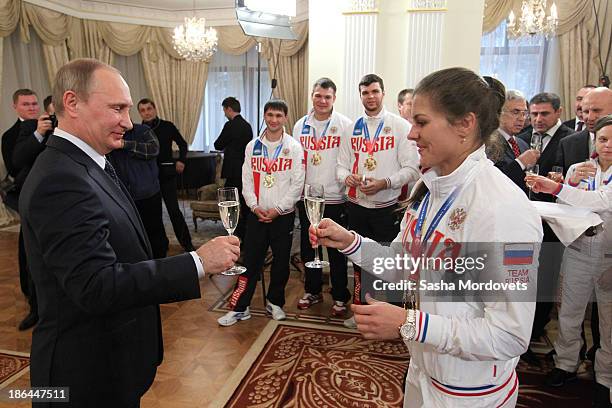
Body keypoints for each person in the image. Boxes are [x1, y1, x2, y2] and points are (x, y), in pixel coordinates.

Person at [311, 67, 543, 407]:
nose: (411, 134)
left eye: (421, 122)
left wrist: (410, 324)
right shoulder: (430, 190)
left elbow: (509, 334)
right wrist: (349, 241)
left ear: (464, 124)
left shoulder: (503, 208)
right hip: (423, 370)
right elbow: (404, 267)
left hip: (469, 392)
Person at [19, 58, 240, 407]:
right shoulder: (60, 179)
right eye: (117, 108)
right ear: (72, 103)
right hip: (83, 377)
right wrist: (197, 261)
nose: (127, 121)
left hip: (111, 364)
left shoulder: (90, 162)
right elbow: (96, 285)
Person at [526, 114, 612, 407]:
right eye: (603, 139)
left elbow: (600, 200)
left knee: (608, 321)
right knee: (568, 313)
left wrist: (560, 188)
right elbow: (564, 209)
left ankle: (605, 378)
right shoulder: (579, 169)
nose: (608, 145)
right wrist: (569, 185)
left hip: (609, 257)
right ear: (595, 141)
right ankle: (565, 364)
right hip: (577, 250)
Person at [337, 73, 420, 328]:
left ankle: (392, 316)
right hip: (358, 206)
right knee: (361, 263)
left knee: (390, 263)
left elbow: (413, 170)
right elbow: (339, 168)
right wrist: (347, 178)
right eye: (365, 93)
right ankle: (361, 312)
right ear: (360, 95)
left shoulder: (400, 127)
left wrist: (385, 183)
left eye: (374, 92)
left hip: (388, 209)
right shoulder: (352, 128)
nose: (370, 97)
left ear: (383, 93)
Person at [218, 99, 304, 327]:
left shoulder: (294, 147)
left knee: (281, 263)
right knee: (250, 262)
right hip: (256, 215)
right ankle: (240, 307)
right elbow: (246, 180)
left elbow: (297, 185)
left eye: (278, 116)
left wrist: (277, 210)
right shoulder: (252, 146)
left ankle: (275, 302)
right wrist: (254, 207)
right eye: (270, 115)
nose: (274, 120)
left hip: (282, 216)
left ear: (285, 118)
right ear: (264, 116)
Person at [517, 93, 574, 353]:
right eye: (534, 113)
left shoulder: (570, 138)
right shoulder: (523, 135)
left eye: (544, 114)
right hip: (522, 215)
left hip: (552, 220)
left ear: (558, 112)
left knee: (546, 276)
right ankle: (521, 325)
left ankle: (537, 328)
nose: (538, 119)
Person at [293, 77, 353, 316]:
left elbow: (347, 161)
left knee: (336, 250)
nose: (322, 100)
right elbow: (296, 162)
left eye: (327, 97)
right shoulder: (300, 126)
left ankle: (340, 295)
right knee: (310, 247)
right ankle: (313, 290)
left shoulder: (345, 125)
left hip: (336, 198)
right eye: (318, 95)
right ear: (312, 96)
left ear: (334, 99)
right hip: (308, 199)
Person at [1, 89, 42, 331]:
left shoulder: (51, 126)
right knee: (28, 253)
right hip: (28, 200)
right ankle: (34, 305)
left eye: (34, 103)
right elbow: (16, 165)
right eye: (26, 104)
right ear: (15, 106)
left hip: (52, 198)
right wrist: (37, 135)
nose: (31, 107)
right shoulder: (9, 136)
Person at [137, 98, 194, 252]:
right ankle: (160, 245)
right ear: (139, 113)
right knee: (154, 215)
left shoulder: (167, 126)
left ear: (154, 109)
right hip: (148, 179)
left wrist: (181, 160)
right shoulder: (138, 131)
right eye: (142, 110)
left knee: (174, 211)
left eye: (149, 109)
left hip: (166, 175)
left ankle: (187, 245)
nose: (146, 113)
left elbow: (182, 144)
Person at [108, 123, 169, 258]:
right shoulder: (110, 135)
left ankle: (161, 262)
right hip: (126, 195)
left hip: (149, 193)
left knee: (155, 230)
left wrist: (125, 144)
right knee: (133, 233)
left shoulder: (143, 130)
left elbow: (154, 149)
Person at [214, 96, 253, 241]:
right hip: (245, 169)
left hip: (232, 170)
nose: (224, 113)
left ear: (229, 109)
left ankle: (237, 235)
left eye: (224, 110)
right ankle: (249, 234)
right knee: (245, 203)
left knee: (231, 206)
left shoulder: (230, 125)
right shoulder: (248, 125)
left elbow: (217, 144)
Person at [487, 89, 539, 194]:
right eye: (516, 112)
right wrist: (520, 163)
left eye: (524, 113)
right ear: (499, 113)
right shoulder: (488, 142)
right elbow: (492, 182)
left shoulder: (522, 143)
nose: (521, 118)